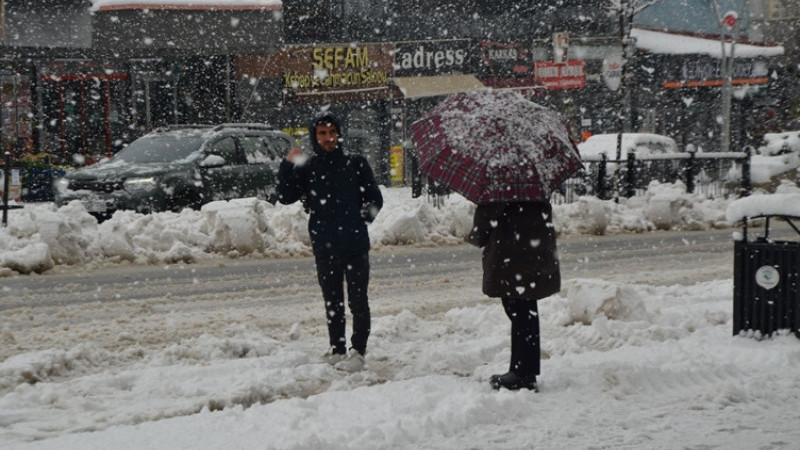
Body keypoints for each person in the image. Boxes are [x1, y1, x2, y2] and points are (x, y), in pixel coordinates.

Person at [277, 112, 383, 372]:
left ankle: (358, 351)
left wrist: (360, 221)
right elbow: (285, 196)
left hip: (355, 245)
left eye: (332, 132)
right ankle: (337, 349)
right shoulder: (308, 166)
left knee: (358, 301)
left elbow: (375, 199)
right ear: (315, 137)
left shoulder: (355, 163)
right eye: (322, 133)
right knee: (332, 301)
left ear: (339, 134)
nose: (328, 138)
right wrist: (287, 165)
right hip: (324, 245)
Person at [467, 201, 561, 392]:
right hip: (533, 249)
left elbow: (486, 215)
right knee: (526, 311)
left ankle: (522, 373)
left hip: (510, 250)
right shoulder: (534, 189)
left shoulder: (501, 189)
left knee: (519, 312)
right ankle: (524, 371)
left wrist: (478, 235)